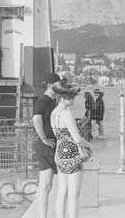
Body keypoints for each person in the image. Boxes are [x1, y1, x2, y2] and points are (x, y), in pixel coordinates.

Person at [50, 81, 93, 218]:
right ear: (62, 97)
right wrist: (90, 146)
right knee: (74, 194)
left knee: (62, 191)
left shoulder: (53, 113)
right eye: (71, 97)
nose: (74, 99)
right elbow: (77, 138)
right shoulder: (66, 113)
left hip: (59, 154)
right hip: (72, 155)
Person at [32, 72, 62, 218]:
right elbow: (36, 119)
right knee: (45, 185)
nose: (60, 86)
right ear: (51, 85)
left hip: (50, 145)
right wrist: (43, 138)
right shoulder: (44, 101)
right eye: (59, 84)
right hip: (46, 145)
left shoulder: (52, 101)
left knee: (46, 185)